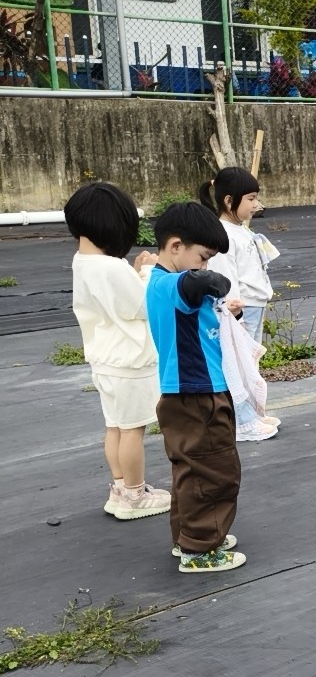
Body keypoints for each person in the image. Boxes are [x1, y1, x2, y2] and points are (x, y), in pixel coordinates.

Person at [145, 202, 246, 573]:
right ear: (175, 247)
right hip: (197, 392)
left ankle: (188, 538)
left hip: (193, 391)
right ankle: (201, 550)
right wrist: (217, 282)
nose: (205, 267)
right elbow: (199, 284)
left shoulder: (168, 284)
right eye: (203, 257)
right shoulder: (169, 283)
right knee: (214, 471)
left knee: (192, 470)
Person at [65, 181, 170, 522]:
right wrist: (150, 271)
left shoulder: (83, 261)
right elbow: (142, 306)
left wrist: (134, 272)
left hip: (104, 359)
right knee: (133, 431)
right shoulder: (112, 267)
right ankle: (136, 496)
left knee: (115, 427)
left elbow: (115, 300)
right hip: (129, 361)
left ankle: (122, 489)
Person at [202, 166, 279, 442]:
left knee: (251, 363)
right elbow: (226, 278)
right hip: (240, 310)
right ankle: (243, 420)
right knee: (239, 365)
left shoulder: (240, 229)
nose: (255, 204)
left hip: (254, 305)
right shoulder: (224, 234)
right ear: (228, 201)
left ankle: (253, 413)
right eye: (250, 198)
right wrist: (236, 315)